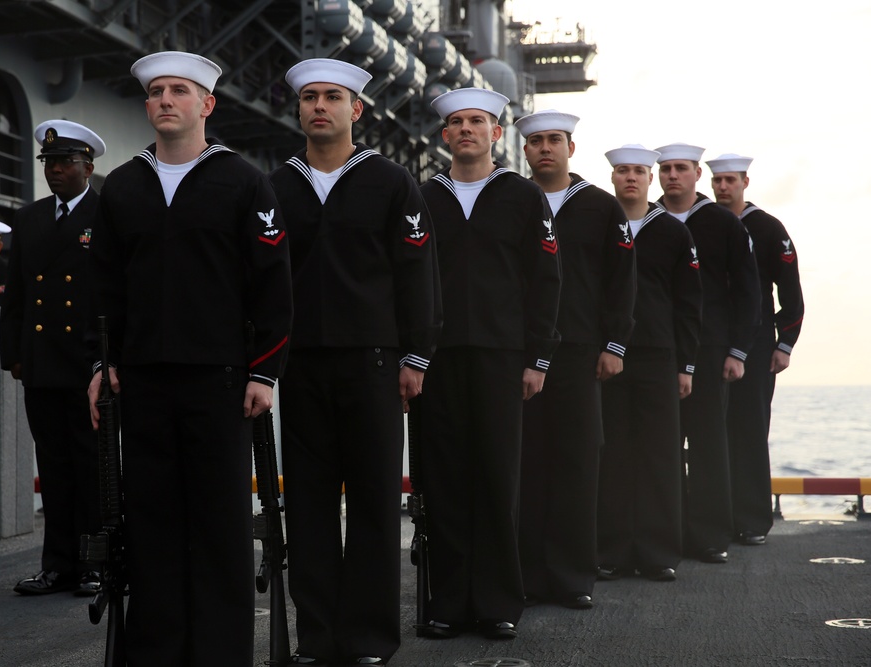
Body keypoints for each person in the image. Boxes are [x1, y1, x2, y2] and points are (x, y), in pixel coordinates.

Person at [86, 51, 293, 666]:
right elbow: (105, 290)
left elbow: (273, 285)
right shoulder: (121, 186)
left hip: (221, 380)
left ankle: (222, 654)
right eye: (156, 92)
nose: (166, 100)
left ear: (207, 104)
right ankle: (158, 652)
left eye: (180, 90)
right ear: (147, 106)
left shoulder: (244, 181)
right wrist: (101, 365)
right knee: (150, 524)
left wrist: (264, 371)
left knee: (221, 525)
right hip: (144, 381)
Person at [268, 58, 441, 666]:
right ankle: (317, 638)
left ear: (356, 110)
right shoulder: (276, 186)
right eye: (310, 97)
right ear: (299, 110)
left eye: (332, 97)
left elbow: (417, 274)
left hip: (374, 363)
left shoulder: (392, 182)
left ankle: (369, 639)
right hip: (303, 368)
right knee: (309, 506)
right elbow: (261, 280)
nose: (320, 106)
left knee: (371, 504)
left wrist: (416, 355)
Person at [416, 88, 561, 639]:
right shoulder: (423, 196)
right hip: (440, 358)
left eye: (478, 121)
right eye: (457, 122)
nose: (467, 129)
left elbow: (547, 282)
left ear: (496, 133)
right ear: (445, 135)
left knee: (500, 478)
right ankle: (449, 604)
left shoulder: (524, 198)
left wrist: (538, 357)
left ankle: (500, 603)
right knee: (446, 478)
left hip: (504, 358)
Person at [514, 110, 636, 609]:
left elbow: (622, 279)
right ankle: (525, 575)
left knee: (576, 461)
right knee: (526, 463)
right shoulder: (512, 199)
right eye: (536, 141)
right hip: (518, 353)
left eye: (555, 140)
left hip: (580, 352)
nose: (545, 148)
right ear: (524, 150)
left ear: (571, 148)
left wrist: (615, 344)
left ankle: (571, 578)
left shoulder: (601, 208)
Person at [0, 120, 106, 596]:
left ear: (88, 167)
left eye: (65, 163)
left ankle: (93, 564)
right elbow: (17, 296)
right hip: (42, 366)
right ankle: (56, 563)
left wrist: (109, 360)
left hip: (86, 367)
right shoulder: (30, 219)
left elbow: (111, 298)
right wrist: (14, 358)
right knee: (55, 468)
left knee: (90, 467)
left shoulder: (107, 217)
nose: (55, 171)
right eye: (49, 163)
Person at [596, 144, 702, 583]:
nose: (631, 178)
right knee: (613, 455)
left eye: (639, 171)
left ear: (650, 178)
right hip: (606, 357)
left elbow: (690, 303)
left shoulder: (674, 232)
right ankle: (612, 551)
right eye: (623, 171)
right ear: (614, 178)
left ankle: (659, 553)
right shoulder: (600, 223)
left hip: (659, 356)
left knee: (659, 456)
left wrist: (687, 365)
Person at [654, 143, 761, 564]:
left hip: (712, 348)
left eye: (681, 168)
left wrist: (738, 350)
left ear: (698, 174)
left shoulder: (722, 222)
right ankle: (667, 533)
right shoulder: (645, 219)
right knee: (658, 447)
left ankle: (709, 535)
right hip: (658, 349)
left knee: (707, 444)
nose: (672, 176)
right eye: (665, 169)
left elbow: (749, 289)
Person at [707, 153, 804, 546]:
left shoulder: (767, 228)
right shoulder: (705, 223)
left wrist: (785, 344)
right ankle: (712, 517)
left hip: (759, 341)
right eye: (718, 181)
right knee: (710, 431)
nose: (723, 187)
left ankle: (751, 520)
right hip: (710, 338)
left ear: (745, 181)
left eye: (730, 180)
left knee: (748, 429)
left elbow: (791, 290)